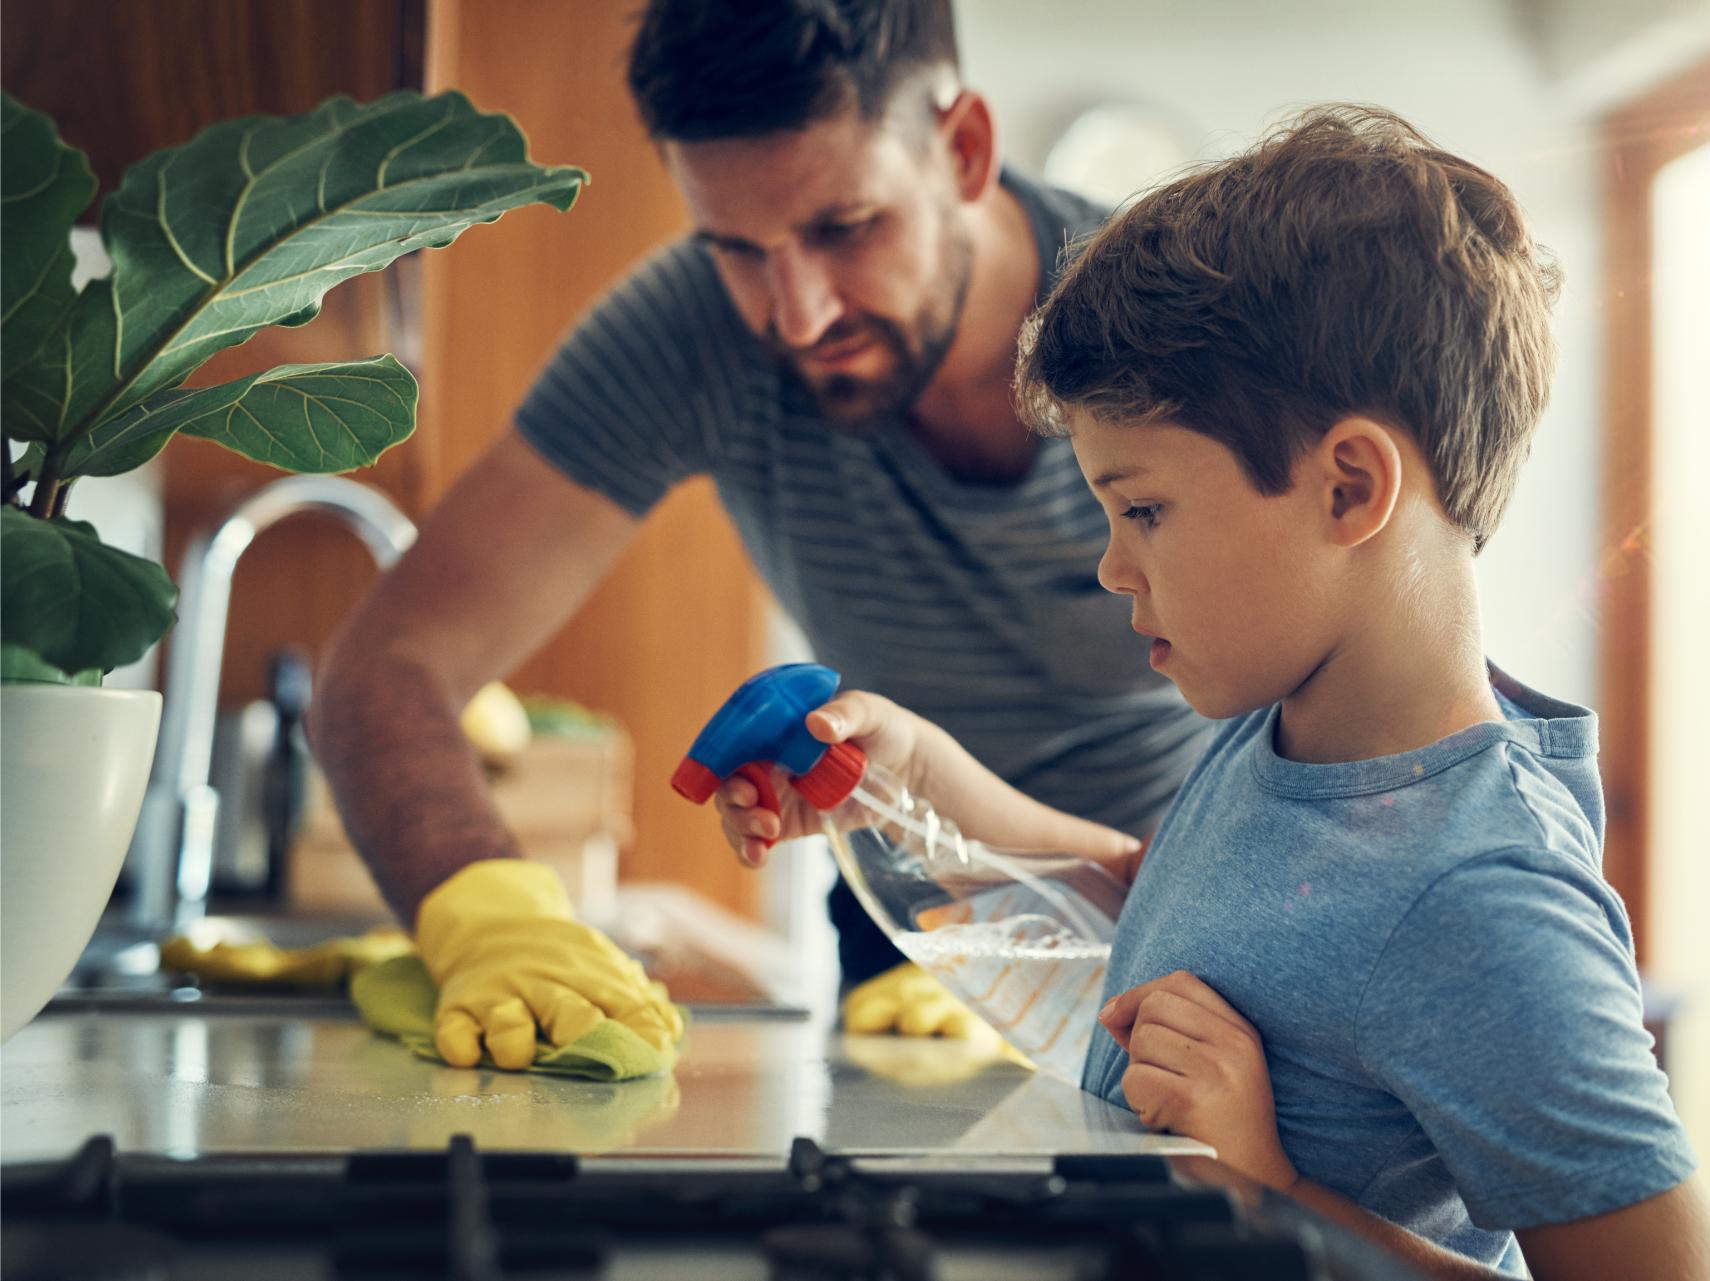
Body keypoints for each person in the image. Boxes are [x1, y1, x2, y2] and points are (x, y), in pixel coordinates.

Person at [715, 106, 1710, 1278]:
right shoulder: (1283, 738)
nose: (1113, 566)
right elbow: (1160, 910)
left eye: (1144, 509)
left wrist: (1269, 1193)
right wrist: (908, 784)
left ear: (1350, 488)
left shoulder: (1483, 900)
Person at [309, 0, 1207, 1070]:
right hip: (916, 943)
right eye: (737, 248)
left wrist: (1132, 924)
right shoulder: (691, 329)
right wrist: (489, 913)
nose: (796, 314)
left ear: (964, 149)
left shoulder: (1176, 326)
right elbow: (388, 666)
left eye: (845, 228)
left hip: (1200, 912)